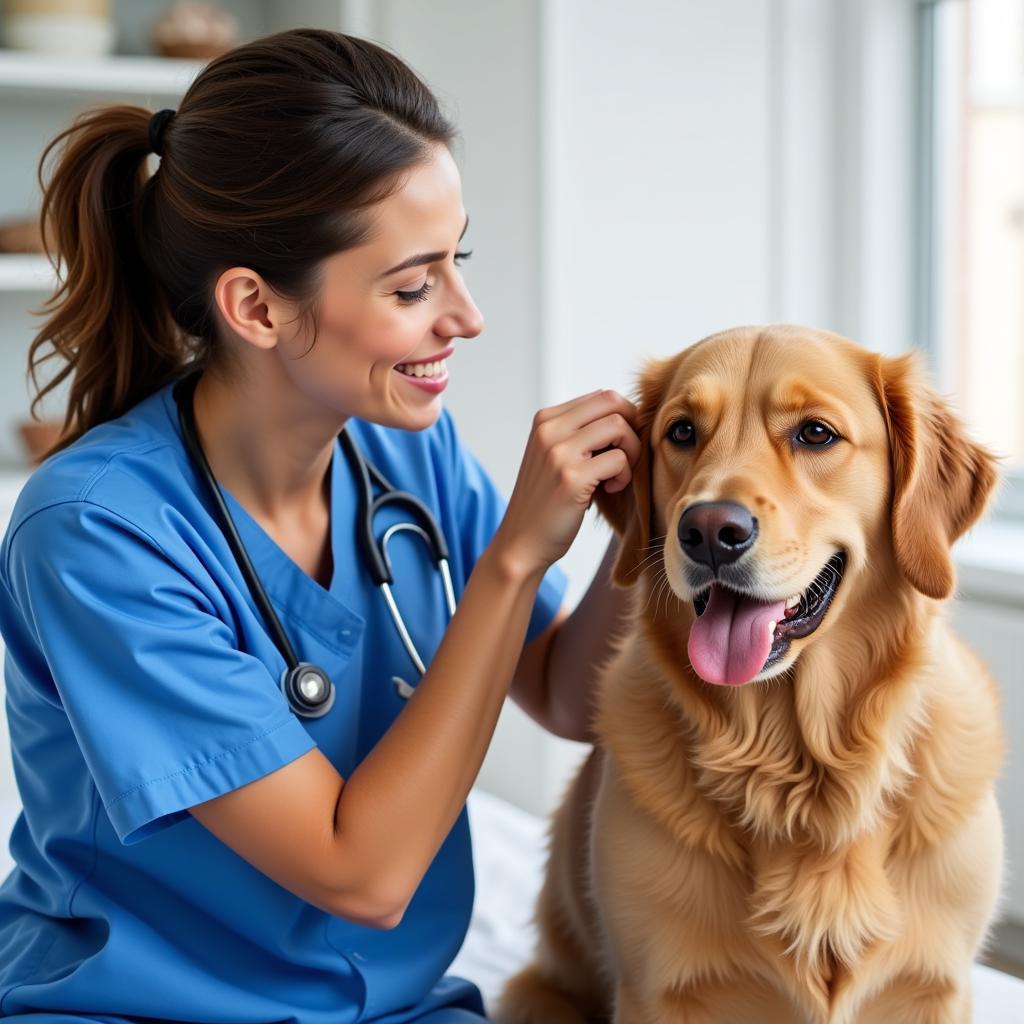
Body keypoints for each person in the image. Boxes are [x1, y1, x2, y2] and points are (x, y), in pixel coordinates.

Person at [0, 28, 640, 1024]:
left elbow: (567, 692)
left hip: (395, 1005)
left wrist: (647, 533)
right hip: (141, 1009)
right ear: (256, 306)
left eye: (455, 261)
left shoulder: (403, 456)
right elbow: (362, 874)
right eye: (412, 284)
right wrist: (514, 557)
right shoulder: (93, 534)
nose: (466, 316)